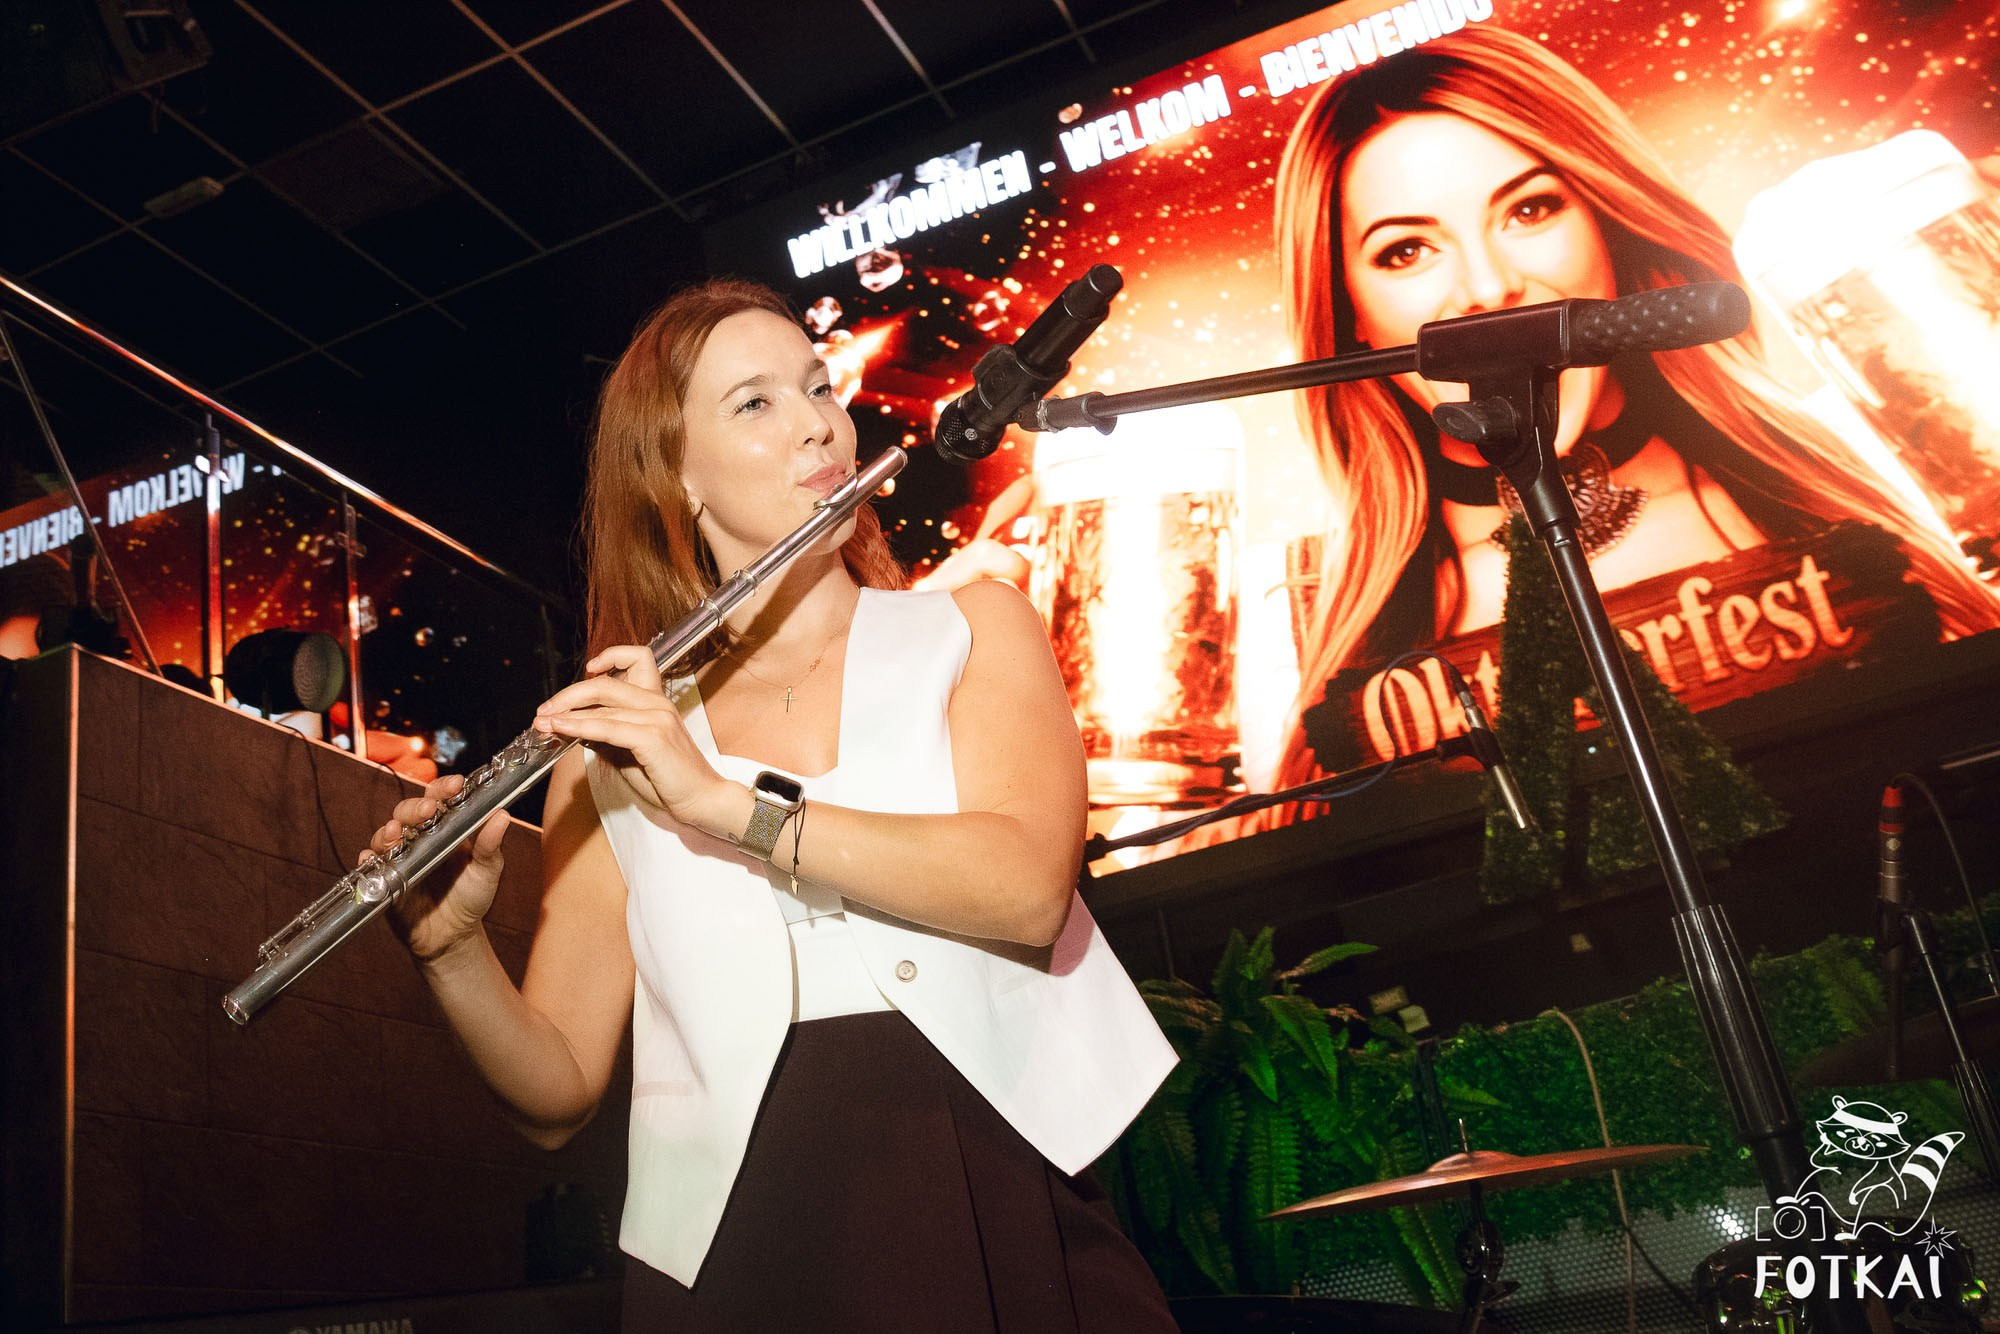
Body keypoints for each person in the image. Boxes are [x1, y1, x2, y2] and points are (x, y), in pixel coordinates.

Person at [364, 280, 1178, 1330]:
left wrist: (723, 804)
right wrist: (452, 952)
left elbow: (1024, 888)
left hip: (988, 1176)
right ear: (675, 476)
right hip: (745, 1238)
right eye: (755, 402)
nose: (818, 423)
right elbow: (555, 1095)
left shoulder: (973, 628)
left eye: (817, 386)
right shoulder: (612, 749)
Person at [1266, 23, 2000, 799]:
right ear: (1350, 316)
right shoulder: (1298, 634)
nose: (1486, 287)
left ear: (1609, 228)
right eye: (1406, 251)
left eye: (1530, 209)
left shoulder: (1891, 477)